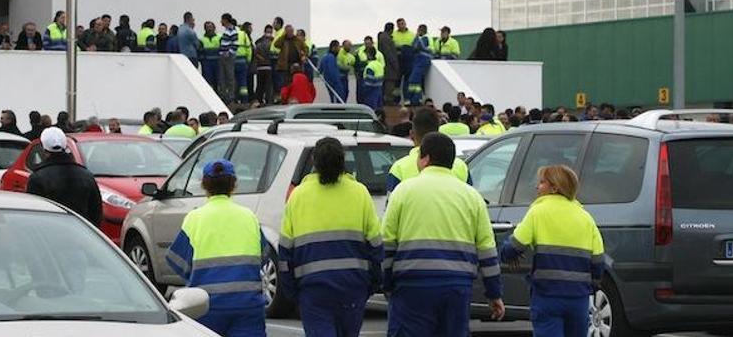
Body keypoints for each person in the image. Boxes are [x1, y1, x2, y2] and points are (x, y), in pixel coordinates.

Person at [383, 133, 504, 335]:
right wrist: (494, 294)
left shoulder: (403, 191)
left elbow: (387, 243)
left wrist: (387, 284)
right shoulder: (471, 196)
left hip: (412, 285)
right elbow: (486, 249)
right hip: (456, 287)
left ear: (425, 158)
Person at [279, 137, 382, 337]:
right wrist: (373, 283)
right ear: (343, 161)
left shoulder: (298, 196)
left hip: (313, 290)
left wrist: (292, 291)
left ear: (314, 163)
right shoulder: (360, 192)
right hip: (353, 287)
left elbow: (285, 252)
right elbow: (376, 245)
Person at [166, 159, 267, 337]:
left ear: (204, 185)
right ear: (233, 184)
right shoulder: (249, 216)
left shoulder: (194, 218)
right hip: (247, 305)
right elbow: (264, 256)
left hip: (206, 306)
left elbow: (177, 262)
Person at [501, 165, 604, 337]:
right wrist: (589, 285)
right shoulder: (586, 218)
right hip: (578, 298)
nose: (537, 187)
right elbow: (598, 261)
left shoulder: (538, 212)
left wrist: (508, 254)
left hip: (547, 295)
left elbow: (513, 246)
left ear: (554, 188)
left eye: (542, 182)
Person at [26, 127, 103, 226]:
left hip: (49, 234)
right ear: (65, 146)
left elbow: (33, 215)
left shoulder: (37, 178)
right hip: (80, 234)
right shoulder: (86, 175)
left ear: (43, 148)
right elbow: (96, 213)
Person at [387, 108, 471, 195]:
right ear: (438, 132)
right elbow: (471, 199)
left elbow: (392, 204)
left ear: (412, 135)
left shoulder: (399, 168)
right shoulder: (461, 167)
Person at [273, 24, 307, 89]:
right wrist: (283, 36)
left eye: (291, 31)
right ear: (286, 32)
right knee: (286, 83)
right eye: (288, 31)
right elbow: (276, 44)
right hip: (286, 65)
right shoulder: (283, 40)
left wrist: (304, 55)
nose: (290, 33)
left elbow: (305, 48)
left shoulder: (297, 39)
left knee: (296, 81)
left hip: (297, 65)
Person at [407, 24, 433, 106]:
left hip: (423, 59)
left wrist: (417, 37)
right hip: (419, 60)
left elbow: (415, 47)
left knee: (414, 80)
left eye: (419, 30)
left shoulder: (425, 38)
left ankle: (415, 100)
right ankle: (414, 99)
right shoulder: (425, 38)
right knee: (414, 81)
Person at [392, 18, 415, 103]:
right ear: (397, 25)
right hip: (398, 60)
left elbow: (416, 46)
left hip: (409, 59)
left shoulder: (412, 34)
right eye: (399, 24)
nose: (401, 25)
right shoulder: (394, 35)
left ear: (405, 23)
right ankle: (396, 100)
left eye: (402, 23)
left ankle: (406, 99)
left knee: (407, 81)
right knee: (397, 81)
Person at [218, 13, 240, 104]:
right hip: (223, 56)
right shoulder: (226, 30)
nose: (221, 22)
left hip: (228, 57)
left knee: (229, 77)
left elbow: (235, 44)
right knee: (222, 77)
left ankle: (231, 97)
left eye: (222, 20)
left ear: (226, 20)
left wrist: (229, 52)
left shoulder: (232, 30)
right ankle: (224, 95)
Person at [377, 23, 400, 105]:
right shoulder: (386, 38)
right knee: (389, 82)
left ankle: (386, 99)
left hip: (386, 64)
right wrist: (394, 63)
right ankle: (388, 100)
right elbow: (388, 52)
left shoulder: (383, 37)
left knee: (387, 83)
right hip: (388, 65)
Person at [253, 25, 275, 105]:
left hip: (265, 66)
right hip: (264, 66)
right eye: (268, 31)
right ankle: (264, 100)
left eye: (270, 32)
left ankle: (261, 100)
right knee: (264, 86)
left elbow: (256, 53)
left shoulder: (259, 41)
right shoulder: (273, 41)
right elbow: (256, 53)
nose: (269, 33)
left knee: (263, 86)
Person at [236, 19, 253, 103]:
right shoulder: (244, 35)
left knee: (234, 82)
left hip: (232, 62)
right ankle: (244, 100)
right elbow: (249, 49)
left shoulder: (230, 34)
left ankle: (236, 99)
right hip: (243, 61)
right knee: (243, 82)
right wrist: (248, 61)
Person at [200, 21, 221, 88]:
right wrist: (203, 60)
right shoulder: (201, 39)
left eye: (211, 27)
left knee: (218, 81)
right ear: (205, 28)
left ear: (214, 28)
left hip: (218, 62)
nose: (209, 29)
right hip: (207, 63)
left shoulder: (219, 37)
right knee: (208, 82)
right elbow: (200, 52)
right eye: (207, 27)